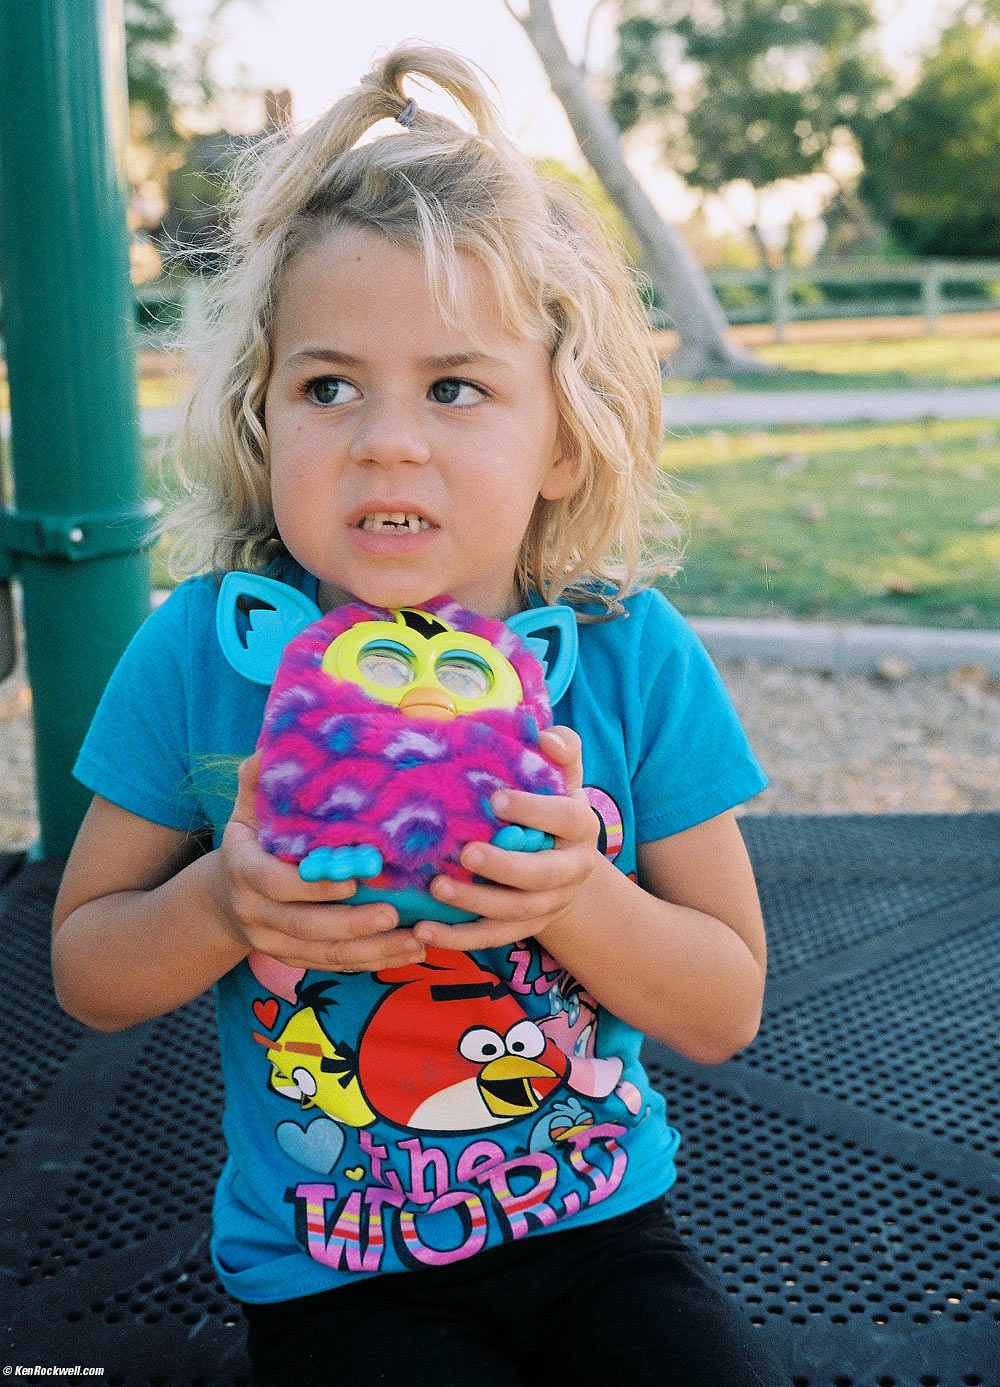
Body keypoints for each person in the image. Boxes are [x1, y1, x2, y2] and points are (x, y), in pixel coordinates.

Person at [52, 42, 791, 1387]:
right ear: (264, 421)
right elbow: (87, 969)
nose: (385, 438)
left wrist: (575, 897)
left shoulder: (629, 660)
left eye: (455, 387)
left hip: (602, 1233)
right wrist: (222, 904)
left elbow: (725, 1004)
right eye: (328, 385)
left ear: (561, 436)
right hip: (333, 1267)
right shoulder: (203, 659)